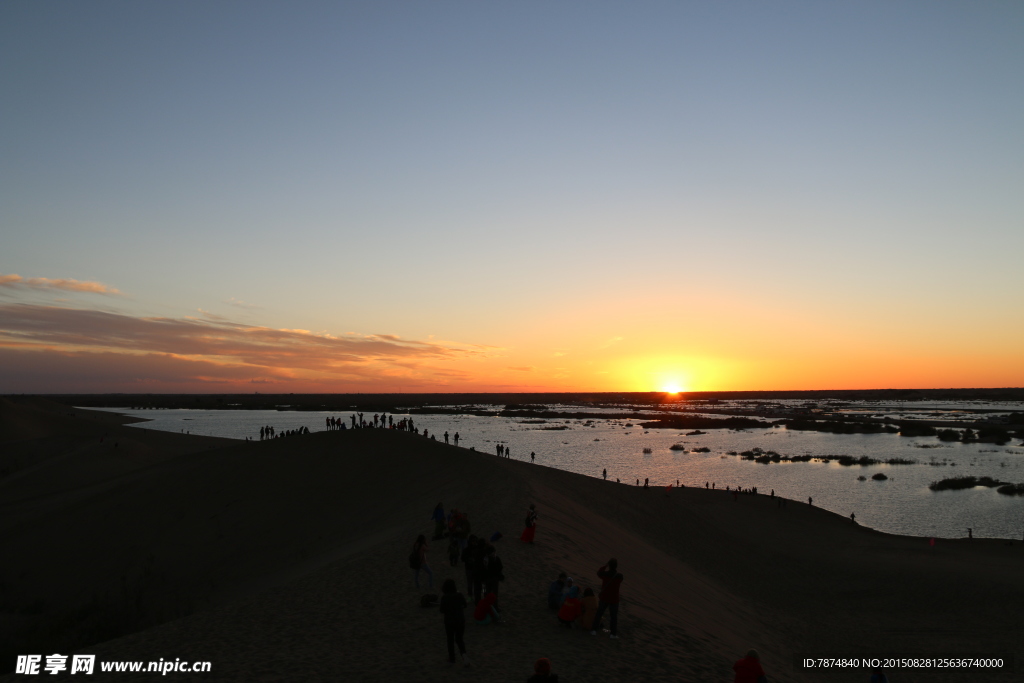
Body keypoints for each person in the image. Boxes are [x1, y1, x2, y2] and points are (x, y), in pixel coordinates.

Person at [439, 579, 470, 666]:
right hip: (460, 620)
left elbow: (441, 610)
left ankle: (452, 658)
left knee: (450, 640)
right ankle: (464, 656)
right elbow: (465, 605)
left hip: (449, 621)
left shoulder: (444, 597)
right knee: (459, 639)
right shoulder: (459, 595)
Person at [590, 559, 623, 638]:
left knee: (599, 614)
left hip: (604, 598)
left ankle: (594, 630)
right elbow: (621, 578)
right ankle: (613, 634)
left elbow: (599, 573)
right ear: (616, 566)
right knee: (613, 617)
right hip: (614, 599)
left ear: (609, 565)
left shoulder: (605, 574)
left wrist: (605, 566)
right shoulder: (619, 576)